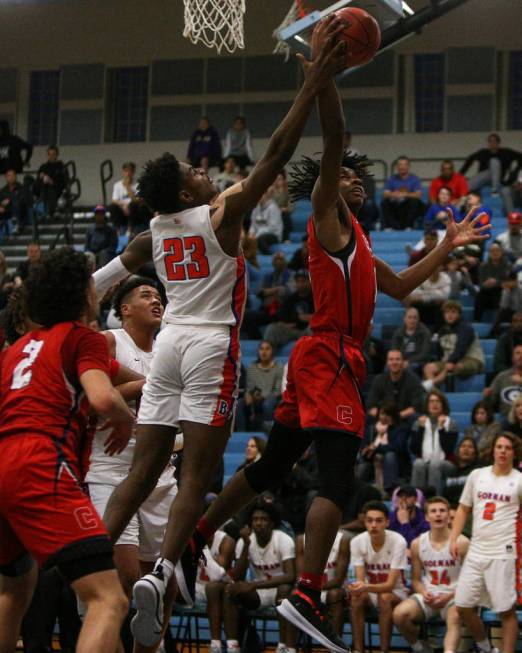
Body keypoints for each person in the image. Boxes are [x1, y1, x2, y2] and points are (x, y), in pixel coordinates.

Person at [164, 25, 489, 653]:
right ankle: (308, 593)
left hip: (323, 358)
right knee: (336, 483)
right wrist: (326, 69)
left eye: (361, 179)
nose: (358, 181)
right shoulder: (326, 215)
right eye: (351, 177)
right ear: (330, 184)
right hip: (328, 354)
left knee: (275, 465)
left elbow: (399, 288)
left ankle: (200, 535)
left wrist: (445, 248)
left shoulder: (361, 242)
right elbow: (335, 140)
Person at [91, 20, 348, 649]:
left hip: (170, 343)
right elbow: (278, 154)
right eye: (192, 169)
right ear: (186, 189)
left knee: (142, 471)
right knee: (197, 475)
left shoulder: (156, 230)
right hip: (209, 343)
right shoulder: (218, 214)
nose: (203, 169)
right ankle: (160, 572)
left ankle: (86, 560)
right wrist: (315, 78)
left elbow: (100, 282)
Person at [0, 247, 134, 653]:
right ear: (83, 295)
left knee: (14, 587)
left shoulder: (15, 351)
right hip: (40, 464)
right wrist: (124, 418)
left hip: (3, 461)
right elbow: (103, 398)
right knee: (108, 598)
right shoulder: (82, 338)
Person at [84, 277, 180, 645]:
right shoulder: (110, 341)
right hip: (111, 468)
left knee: (162, 584)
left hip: (159, 472)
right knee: (124, 579)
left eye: (159, 296)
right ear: (125, 308)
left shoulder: (168, 350)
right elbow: (94, 395)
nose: (157, 301)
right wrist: (145, 384)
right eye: (146, 296)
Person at [450, 432, 522, 653]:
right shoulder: (477, 475)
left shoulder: (519, 480)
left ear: (514, 453)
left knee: (505, 611)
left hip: (503, 551)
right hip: (476, 549)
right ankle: (485, 647)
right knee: (462, 606)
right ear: (492, 450)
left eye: (507, 448)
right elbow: (463, 508)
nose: (502, 451)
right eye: (499, 447)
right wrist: (454, 537)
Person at [393, 496, 469, 653]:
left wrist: (448, 596)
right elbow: (415, 579)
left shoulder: (462, 542)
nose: (438, 514)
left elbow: (470, 580)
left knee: (455, 618)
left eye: (442, 511)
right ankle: (420, 647)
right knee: (399, 614)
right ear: (427, 517)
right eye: (433, 511)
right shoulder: (417, 544)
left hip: (454, 596)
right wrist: (423, 592)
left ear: (449, 516)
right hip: (429, 595)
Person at [224, 500, 296, 653]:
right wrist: (245, 545)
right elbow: (237, 577)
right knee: (231, 590)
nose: (259, 523)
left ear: (272, 523)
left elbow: (290, 576)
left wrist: (254, 585)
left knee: (284, 589)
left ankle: (284, 646)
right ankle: (232, 645)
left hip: (281, 592)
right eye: (255, 519)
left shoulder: (283, 540)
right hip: (259, 594)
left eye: (263, 519)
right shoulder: (245, 541)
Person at [349, 501, 409, 653]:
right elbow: (360, 580)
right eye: (369, 520)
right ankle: (357, 649)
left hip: (396, 592)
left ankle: (384, 650)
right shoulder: (357, 542)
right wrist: (356, 588)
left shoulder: (398, 541)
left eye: (378, 520)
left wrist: (364, 586)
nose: (373, 525)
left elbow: (390, 585)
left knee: (384, 597)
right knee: (356, 598)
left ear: (387, 522)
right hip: (371, 591)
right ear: (365, 522)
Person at [293, 530, 350, 637]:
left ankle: (336, 646)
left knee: (334, 595)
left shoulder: (342, 540)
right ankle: (289, 646)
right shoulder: (301, 540)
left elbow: (338, 580)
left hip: (334, 589)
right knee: (293, 595)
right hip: (311, 589)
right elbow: (300, 577)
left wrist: (312, 588)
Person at [423, 300, 484, 389]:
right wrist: (445, 362)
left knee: (457, 367)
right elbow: (440, 353)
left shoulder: (466, 328)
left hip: (471, 359)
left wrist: (450, 362)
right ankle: (435, 394)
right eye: (447, 312)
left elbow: (461, 349)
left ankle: (429, 384)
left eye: (453, 312)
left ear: (459, 314)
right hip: (450, 361)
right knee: (428, 368)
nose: (449, 315)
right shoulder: (442, 331)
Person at [410, 390, 458, 494]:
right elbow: (414, 449)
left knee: (434, 464)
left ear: (443, 405)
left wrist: (441, 429)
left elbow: (448, 449)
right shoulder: (418, 423)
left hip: (446, 463)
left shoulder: (451, 423)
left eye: (437, 401)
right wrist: (421, 429)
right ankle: (416, 500)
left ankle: (434, 500)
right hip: (425, 461)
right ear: (427, 405)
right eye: (431, 401)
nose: (434, 404)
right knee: (418, 463)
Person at [196, 530, 236, 653]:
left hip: (220, 588)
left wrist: (201, 547)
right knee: (160, 587)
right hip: (195, 588)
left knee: (213, 588)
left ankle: (220, 645)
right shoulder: (186, 535)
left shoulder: (225, 540)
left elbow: (216, 575)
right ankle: (161, 643)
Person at [357, 402, 410, 494]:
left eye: (388, 414)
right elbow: (366, 448)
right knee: (363, 466)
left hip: (395, 463)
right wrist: (367, 450)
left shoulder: (401, 428)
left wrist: (377, 447)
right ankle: (358, 492)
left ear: (393, 416)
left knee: (390, 456)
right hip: (372, 462)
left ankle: (389, 490)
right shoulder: (372, 429)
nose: (384, 417)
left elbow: (398, 447)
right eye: (382, 414)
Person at [460, 133, 522, 203]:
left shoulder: (506, 152)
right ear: (488, 143)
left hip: (497, 180)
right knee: (465, 185)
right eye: (490, 141)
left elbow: (520, 157)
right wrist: (460, 175)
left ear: (498, 142)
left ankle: (495, 190)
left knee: (494, 161)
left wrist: (513, 176)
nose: (493, 143)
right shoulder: (483, 152)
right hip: (484, 178)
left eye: (495, 141)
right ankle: (460, 191)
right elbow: (470, 159)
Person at [236, 341, 284, 431]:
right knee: (239, 403)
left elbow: (277, 391)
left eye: (267, 349)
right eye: (261, 349)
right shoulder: (252, 367)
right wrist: (249, 395)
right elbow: (249, 387)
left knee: (267, 404)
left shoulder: (278, 367)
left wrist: (262, 396)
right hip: (255, 397)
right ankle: (241, 432)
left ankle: (270, 430)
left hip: (271, 398)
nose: (264, 352)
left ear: (272, 351)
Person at [367, 350, 424, 423]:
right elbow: (371, 406)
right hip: (382, 420)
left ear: (403, 362)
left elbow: (416, 407)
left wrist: (396, 417)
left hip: (405, 419)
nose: (394, 362)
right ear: (387, 363)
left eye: (397, 359)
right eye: (391, 359)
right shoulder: (379, 380)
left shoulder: (413, 380)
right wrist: (382, 418)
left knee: (415, 418)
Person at [263, 269, 314, 351]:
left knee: (313, 327)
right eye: (298, 281)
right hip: (291, 329)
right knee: (272, 328)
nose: (301, 284)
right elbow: (282, 317)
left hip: (307, 330)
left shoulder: (315, 297)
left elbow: (318, 317)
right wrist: (299, 318)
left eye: (304, 281)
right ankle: (267, 360)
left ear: (309, 282)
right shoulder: (291, 298)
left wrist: (298, 319)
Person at [381, 156, 424, 230]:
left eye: (404, 164)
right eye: (400, 165)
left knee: (414, 202)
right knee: (384, 202)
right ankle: (390, 227)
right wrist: (394, 194)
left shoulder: (414, 179)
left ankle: (408, 226)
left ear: (408, 166)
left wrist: (405, 194)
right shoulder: (391, 179)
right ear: (397, 167)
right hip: (395, 204)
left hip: (407, 205)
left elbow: (418, 195)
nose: (402, 167)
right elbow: (385, 194)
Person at [405, 265, 451, 331]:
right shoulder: (421, 276)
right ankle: (415, 331)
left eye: (437, 266)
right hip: (421, 305)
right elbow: (413, 294)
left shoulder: (445, 278)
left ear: (441, 267)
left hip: (437, 306)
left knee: (444, 303)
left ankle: (438, 332)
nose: (434, 269)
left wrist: (424, 293)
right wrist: (435, 291)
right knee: (410, 301)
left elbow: (444, 296)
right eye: (432, 266)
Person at [473, 242, 510, 321]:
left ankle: (499, 322)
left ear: (501, 252)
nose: (495, 253)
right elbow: (480, 282)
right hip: (487, 291)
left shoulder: (507, 265)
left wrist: (496, 282)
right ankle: (476, 321)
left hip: (500, 292)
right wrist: (485, 284)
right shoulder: (483, 266)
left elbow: (508, 281)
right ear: (489, 253)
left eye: (497, 250)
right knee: (480, 295)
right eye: (492, 251)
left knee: (501, 292)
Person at [390, 307, 432, 376]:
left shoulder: (425, 333)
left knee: (409, 368)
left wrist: (409, 361)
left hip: (419, 362)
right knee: (388, 367)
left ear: (418, 319)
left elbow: (424, 354)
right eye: (409, 317)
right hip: (400, 361)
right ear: (404, 319)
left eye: (415, 318)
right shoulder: (398, 333)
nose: (412, 320)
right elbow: (394, 350)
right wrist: (400, 361)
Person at [484, 343, 522, 418]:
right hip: (506, 419)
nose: (521, 356)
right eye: (518, 353)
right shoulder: (502, 377)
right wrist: (487, 396)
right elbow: (491, 403)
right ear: (512, 357)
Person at [443, 437, 481, 506]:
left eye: (470, 447)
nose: (466, 449)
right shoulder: (451, 471)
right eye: (463, 446)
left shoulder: (478, 471)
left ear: (475, 452)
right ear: (458, 451)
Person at [33, 145, 67, 219]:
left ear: (57, 155)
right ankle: (42, 211)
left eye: (53, 154)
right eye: (49, 154)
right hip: (43, 190)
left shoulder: (61, 167)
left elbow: (64, 182)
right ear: (47, 155)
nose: (51, 156)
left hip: (57, 190)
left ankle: (51, 211)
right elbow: (37, 181)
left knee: (50, 189)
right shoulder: (43, 167)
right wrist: (42, 179)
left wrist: (52, 182)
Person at [249, 190, 284, 254]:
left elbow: (272, 227)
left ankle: (268, 256)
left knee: (261, 240)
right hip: (258, 234)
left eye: (261, 195)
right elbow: (253, 225)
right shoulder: (256, 208)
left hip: (273, 234)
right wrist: (251, 234)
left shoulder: (273, 208)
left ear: (266, 195)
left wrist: (256, 235)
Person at [0, 168, 31, 235]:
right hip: (7, 212)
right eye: (9, 176)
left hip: (21, 211)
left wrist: (10, 200)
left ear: (15, 177)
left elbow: (26, 201)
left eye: (13, 175)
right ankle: (15, 223)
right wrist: (1, 206)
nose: (11, 178)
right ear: (6, 177)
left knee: (16, 202)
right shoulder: (3, 191)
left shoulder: (22, 188)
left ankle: (16, 223)